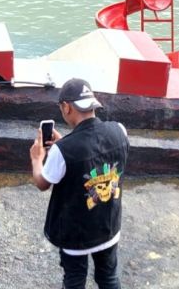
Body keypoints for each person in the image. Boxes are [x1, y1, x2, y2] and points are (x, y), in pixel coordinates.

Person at [30, 78, 129, 289]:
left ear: (66, 107)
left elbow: (42, 183)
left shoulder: (62, 151)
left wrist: (37, 159)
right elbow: (91, 148)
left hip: (76, 234)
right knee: (108, 277)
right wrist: (66, 141)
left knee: (74, 279)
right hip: (107, 225)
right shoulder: (120, 130)